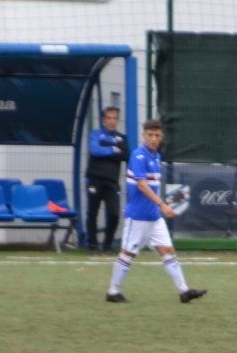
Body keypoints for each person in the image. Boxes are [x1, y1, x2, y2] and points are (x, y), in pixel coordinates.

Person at [105, 118, 205, 304]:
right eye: (150, 135)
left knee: (168, 251)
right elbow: (142, 186)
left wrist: (163, 205)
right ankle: (112, 292)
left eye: (157, 135)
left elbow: (152, 186)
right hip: (138, 217)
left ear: (162, 137)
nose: (153, 138)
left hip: (154, 217)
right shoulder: (138, 156)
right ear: (143, 135)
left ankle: (184, 291)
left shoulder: (156, 156)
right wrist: (162, 204)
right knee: (128, 254)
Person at [85, 105, 128, 253]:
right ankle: (92, 245)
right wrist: (113, 149)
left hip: (112, 182)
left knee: (114, 214)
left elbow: (125, 155)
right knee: (92, 213)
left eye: (114, 118)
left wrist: (109, 148)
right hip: (94, 180)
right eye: (109, 118)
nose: (111, 121)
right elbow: (94, 150)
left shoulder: (122, 137)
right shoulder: (95, 134)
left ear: (117, 120)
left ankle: (107, 245)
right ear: (104, 119)